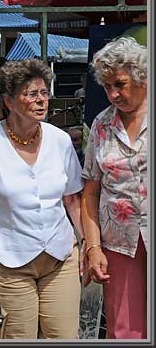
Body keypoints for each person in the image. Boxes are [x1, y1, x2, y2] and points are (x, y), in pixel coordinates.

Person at [0, 58, 85, 339]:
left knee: (64, 336)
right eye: (31, 94)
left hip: (60, 255)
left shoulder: (60, 140)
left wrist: (86, 244)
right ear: (10, 102)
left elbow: (73, 200)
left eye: (43, 93)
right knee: (19, 337)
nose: (41, 101)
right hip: (9, 260)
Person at [81, 37, 147, 339]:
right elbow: (90, 191)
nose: (113, 94)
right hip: (119, 242)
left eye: (119, 84)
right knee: (125, 330)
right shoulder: (101, 124)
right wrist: (93, 248)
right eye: (107, 87)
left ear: (141, 75)